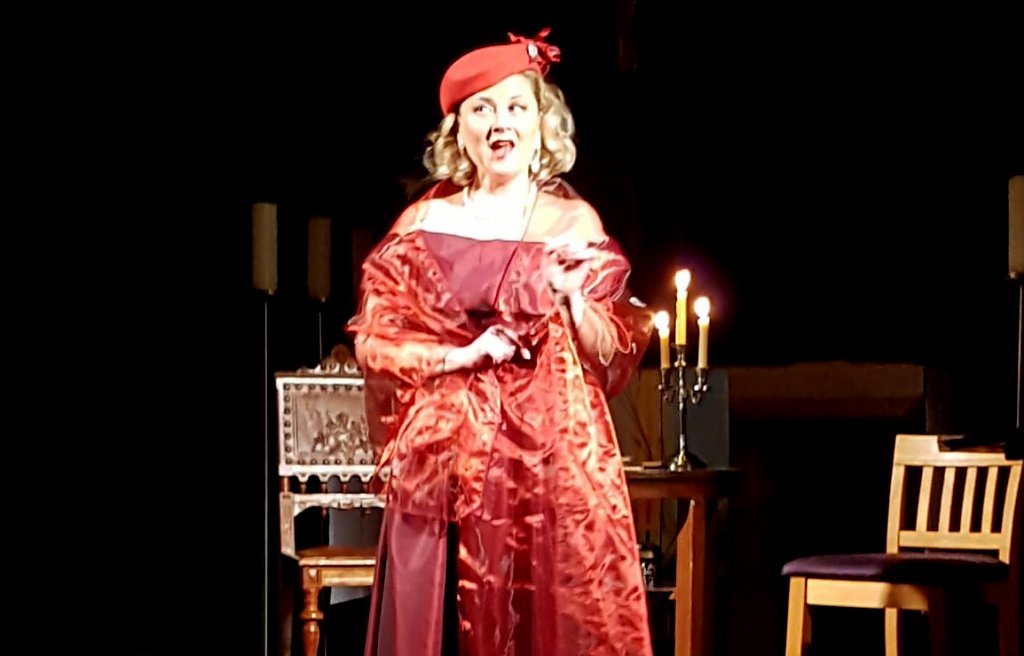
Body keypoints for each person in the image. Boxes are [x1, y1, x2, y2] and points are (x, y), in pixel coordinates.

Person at [347, 28, 654, 656]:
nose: (500, 123)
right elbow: (376, 340)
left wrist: (572, 299)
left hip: (548, 458)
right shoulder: (424, 222)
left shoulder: (572, 222)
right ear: (458, 132)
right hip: (444, 460)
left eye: (516, 106)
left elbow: (612, 347)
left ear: (542, 126)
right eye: (481, 109)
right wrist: (459, 356)